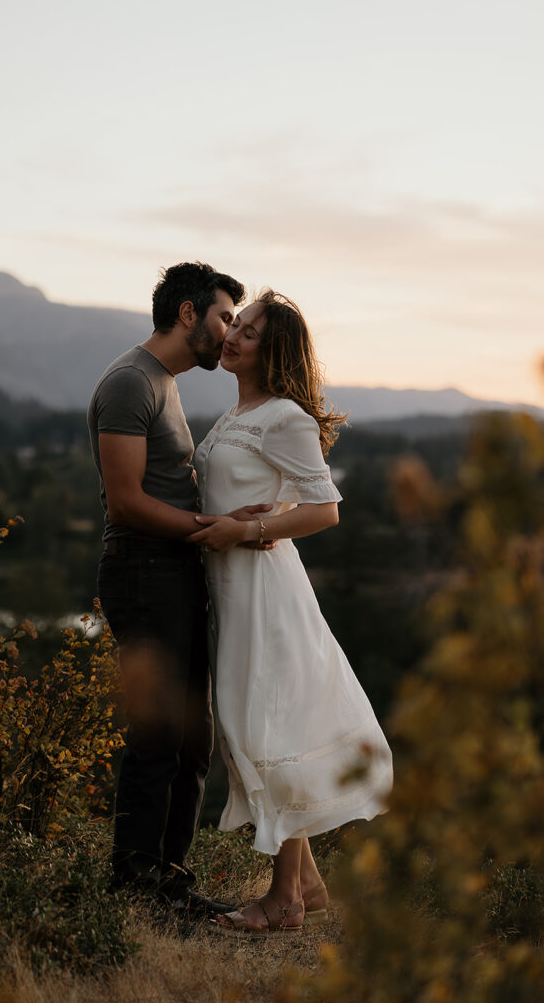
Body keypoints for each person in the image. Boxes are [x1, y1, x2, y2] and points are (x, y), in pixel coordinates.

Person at [189, 289, 394, 935]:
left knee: (264, 731)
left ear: (272, 351)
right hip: (233, 589)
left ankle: (283, 900)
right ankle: (305, 880)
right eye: (236, 324)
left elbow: (325, 508)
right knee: (247, 728)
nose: (233, 336)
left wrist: (248, 532)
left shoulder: (283, 415)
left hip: (265, 592)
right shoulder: (238, 411)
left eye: (247, 332)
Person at [87, 262, 273, 918]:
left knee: (192, 737)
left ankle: (169, 883)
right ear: (188, 313)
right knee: (157, 734)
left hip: (175, 572)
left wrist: (234, 519)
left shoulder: (162, 384)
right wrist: (212, 527)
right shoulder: (129, 383)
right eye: (224, 316)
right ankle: (132, 889)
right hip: (142, 571)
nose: (228, 332)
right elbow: (126, 503)